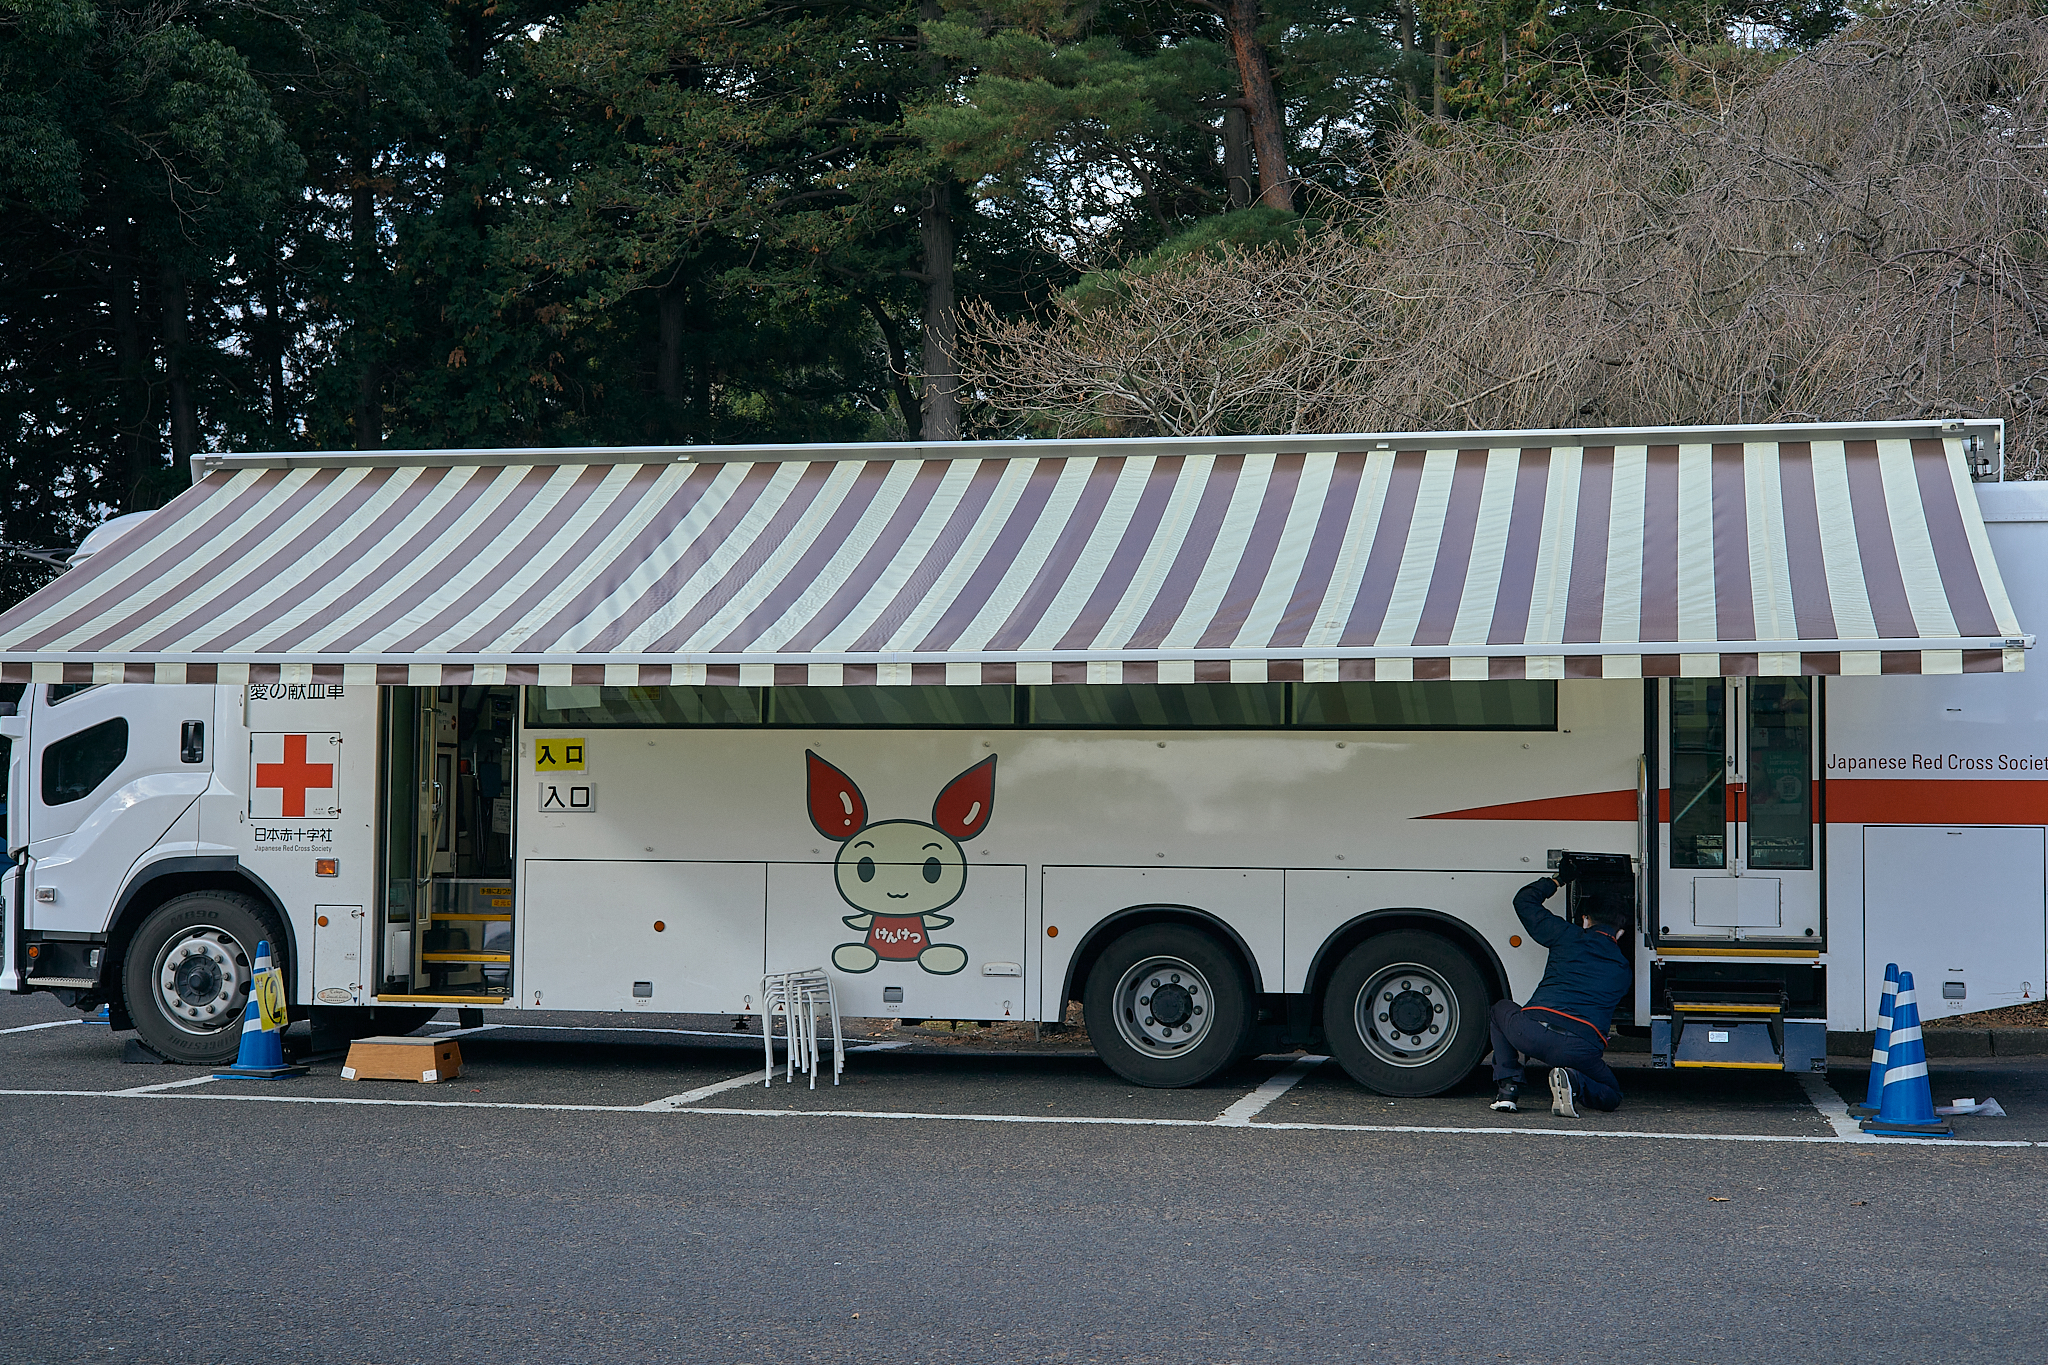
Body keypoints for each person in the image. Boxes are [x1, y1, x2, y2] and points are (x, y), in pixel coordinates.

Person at [1488, 874, 1632, 1117]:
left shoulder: (1565, 934)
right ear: (1620, 933)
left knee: (1500, 1009)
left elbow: (1524, 901)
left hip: (1530, 1031)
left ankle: (1508, 1091)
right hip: (1578, 1048)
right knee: (1611, 1093)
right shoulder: (1623, 970)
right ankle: (1574, 1081)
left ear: (1585, 920)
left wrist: (1558, 880)